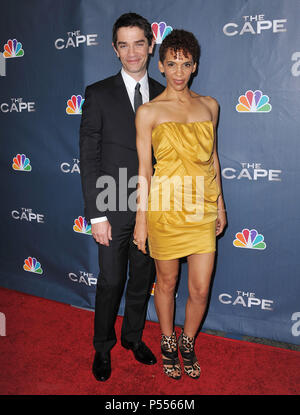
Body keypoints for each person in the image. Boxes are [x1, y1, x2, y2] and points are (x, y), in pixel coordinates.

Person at [134, 29, 227, 380]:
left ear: (195, 66)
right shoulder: (148, 112)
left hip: (201, 207)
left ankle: (187, 341)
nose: (178, 71)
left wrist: (219, 204)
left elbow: (213, 158)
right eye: (171, 63)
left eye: (185, 64)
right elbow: (144, 170)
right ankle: (167, 340)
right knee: (168, 282)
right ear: (160, 65)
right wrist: (142, 221)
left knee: (200, 287)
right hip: (165, 209)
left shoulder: (210, 106)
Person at [79, 13, 164, 382]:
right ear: (115, 49)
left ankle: (132, 337)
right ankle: (102, 346)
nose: (132, 52)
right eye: (124, 44)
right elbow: (89, 159)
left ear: (150, 45)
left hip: (153, 209)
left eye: (139, 43)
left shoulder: (164, 95)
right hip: (112, 208)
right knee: (111, 281)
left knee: (142, 279)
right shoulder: (98, 93)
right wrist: (97, 215)